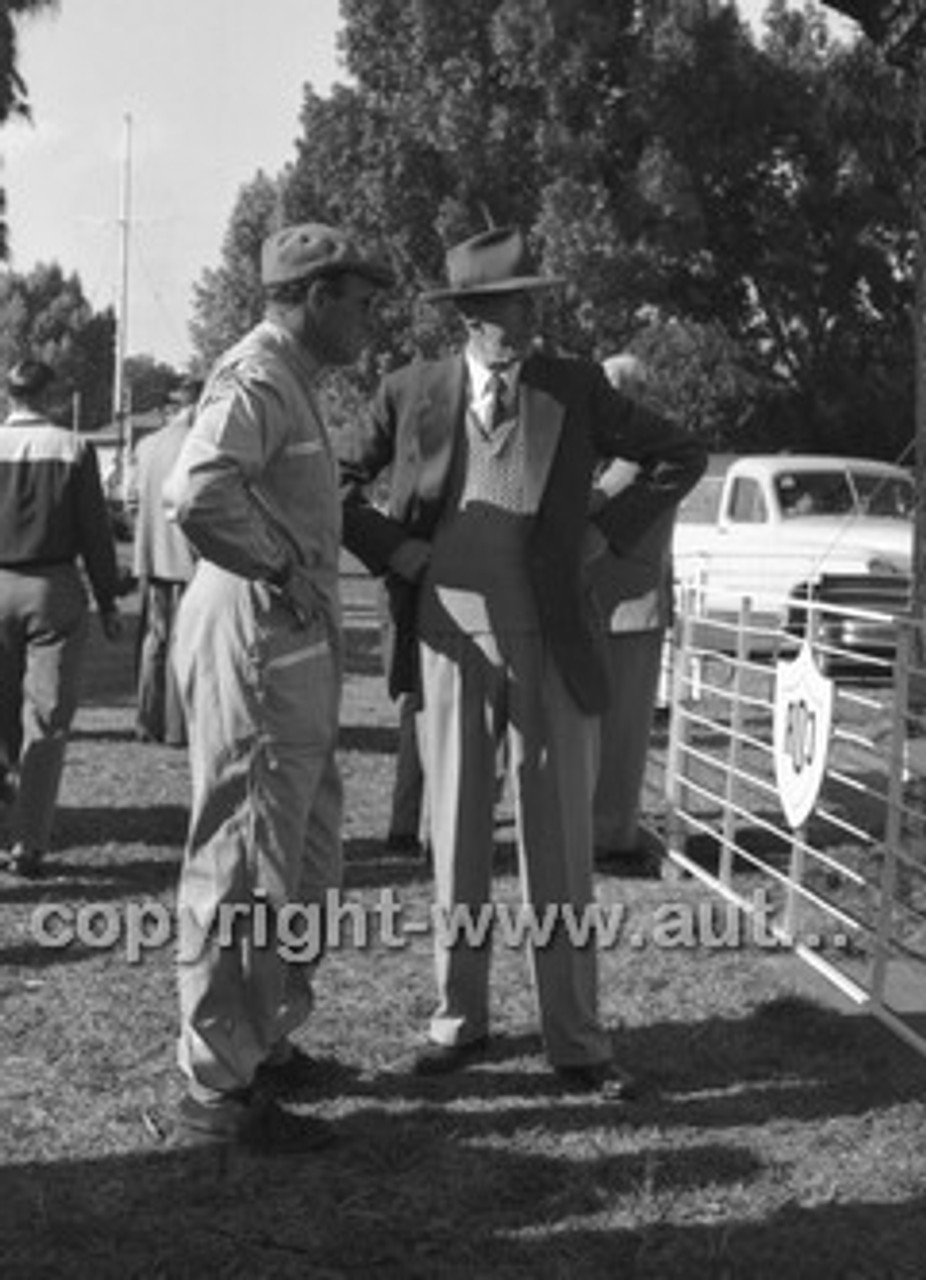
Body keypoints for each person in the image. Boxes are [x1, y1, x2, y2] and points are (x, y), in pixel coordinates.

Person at [339, 225, 706, 1094]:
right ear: (472, 314)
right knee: (457, 835)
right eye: (518, 300)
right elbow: (338, 485)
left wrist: (599, 531)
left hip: (553, 634)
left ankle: (577, 1041)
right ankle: (458, 1022)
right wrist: (397, 552)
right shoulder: (410, 390)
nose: (537, 312)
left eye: (536, 297)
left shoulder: (575, 386)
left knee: (561, 846)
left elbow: (678, 454)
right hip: (448, 634)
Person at [164, 222, 393, 1153]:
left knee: (300, 854)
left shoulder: (292, 380)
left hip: (286, 651)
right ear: (313, 297)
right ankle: (217, 1086)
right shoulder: (258, 376)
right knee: (245, 857)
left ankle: (261, 1038)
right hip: (261, 643)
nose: (372, 319)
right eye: (362, 300)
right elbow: (198, 492)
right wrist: (282, 569)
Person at [0, 359, 123, 878]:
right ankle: (29, 839)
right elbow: (95, 532)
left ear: (8, 393)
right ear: (49, 393)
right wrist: (109, 599)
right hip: (54, 586)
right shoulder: (73, 447)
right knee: (47, 718)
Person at [589, 354, 677, 875]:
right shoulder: (632, 452)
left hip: (627, 610)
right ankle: (606, 829)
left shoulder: (635, 456)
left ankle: (609, 835)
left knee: (619, 735)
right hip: (624, 609)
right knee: (611, 732)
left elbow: (597, 504)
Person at [131, 374, 203, 746]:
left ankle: (148, 719)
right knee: (185, 641)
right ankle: (178, 726)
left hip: (152, 555)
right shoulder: (201, 444)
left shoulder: (146, 446)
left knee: (154, 640)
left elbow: (130, 499)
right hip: (192, 558)